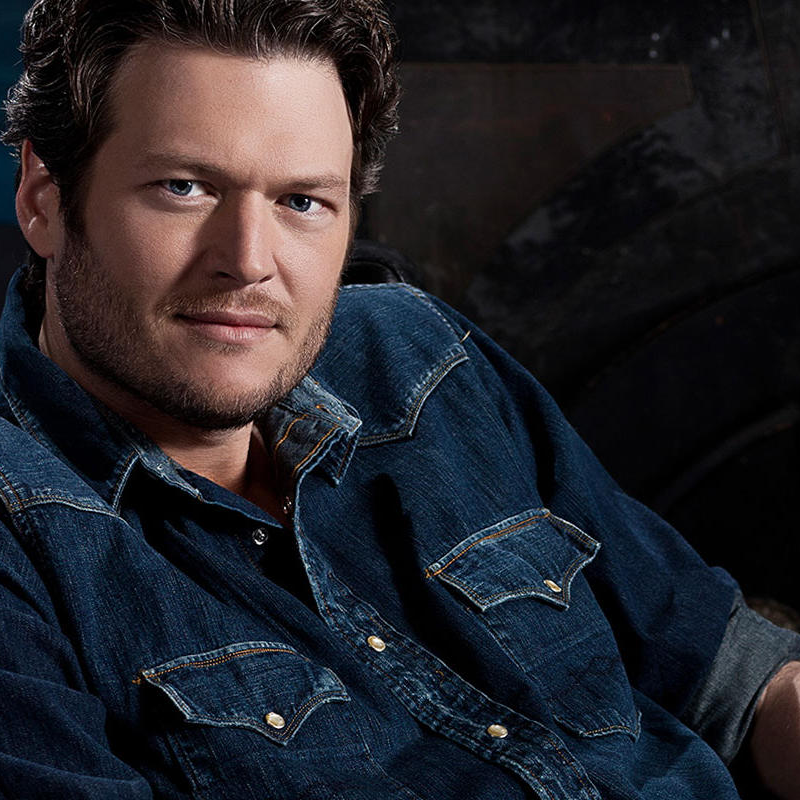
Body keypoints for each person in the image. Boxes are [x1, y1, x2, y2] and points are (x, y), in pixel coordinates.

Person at [0, 0, 798, 797]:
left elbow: (735, 684)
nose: (248, 261)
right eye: (184, 187)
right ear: (43, 197)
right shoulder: (24, 540)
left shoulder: (418, 357)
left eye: (302, 202)